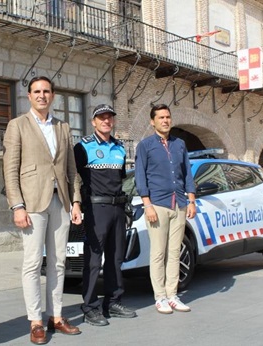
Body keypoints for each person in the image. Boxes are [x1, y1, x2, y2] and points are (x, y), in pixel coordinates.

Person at [3, 76, 83, 345]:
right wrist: (17, 206)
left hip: (60, 201)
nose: (42, 95)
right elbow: (10, 170)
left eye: (46, 91)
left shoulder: (63, 127)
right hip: (32, 203)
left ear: (53, 96)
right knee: (33, 263)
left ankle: (56, 316)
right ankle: (36, 321)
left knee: (58, 261)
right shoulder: (18, 126)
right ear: (29, 96)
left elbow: (71, 169)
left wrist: (76, 201)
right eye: (37, 91)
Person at [74, 104, 137, 326]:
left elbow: (120, 179)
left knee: (116, 256)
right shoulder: (83, 147)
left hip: (117, 208)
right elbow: (74, 177)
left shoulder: (120, 148)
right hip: (96, 208)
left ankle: (113, 302)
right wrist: (76, 204)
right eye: (101, 117)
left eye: (109, 117)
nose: (106, 121)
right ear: (93, 121)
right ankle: (90, 307)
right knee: (93, 259)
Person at [134, 103, 196, 314]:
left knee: (175, 252)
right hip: (157, 205)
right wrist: (147, 204)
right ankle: (159, 297)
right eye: (160, 117)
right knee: (158, 253)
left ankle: (172, 295)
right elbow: (140, 176)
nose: (165, 120)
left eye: (168, 117)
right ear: (153, 121)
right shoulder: (145, 145)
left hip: (178, 204)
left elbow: (187, 171)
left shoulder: (180, 144)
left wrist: (191, 200)